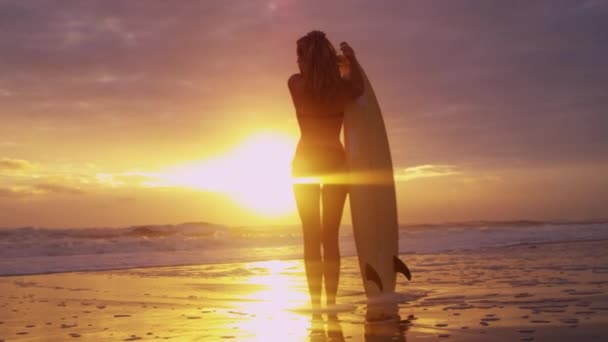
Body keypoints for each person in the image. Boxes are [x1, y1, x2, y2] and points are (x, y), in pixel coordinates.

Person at [288, 30, 364, 318]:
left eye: (300, 56)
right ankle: (330, 303)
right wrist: (351, 60)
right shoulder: (343, 89)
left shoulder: (295, 85)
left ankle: (316, 305)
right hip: (335, 163)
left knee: (311, 236)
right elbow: (359, 87)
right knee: (329, 236)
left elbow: (306, 81)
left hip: (305, 164)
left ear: (308, 59)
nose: (297, 63)